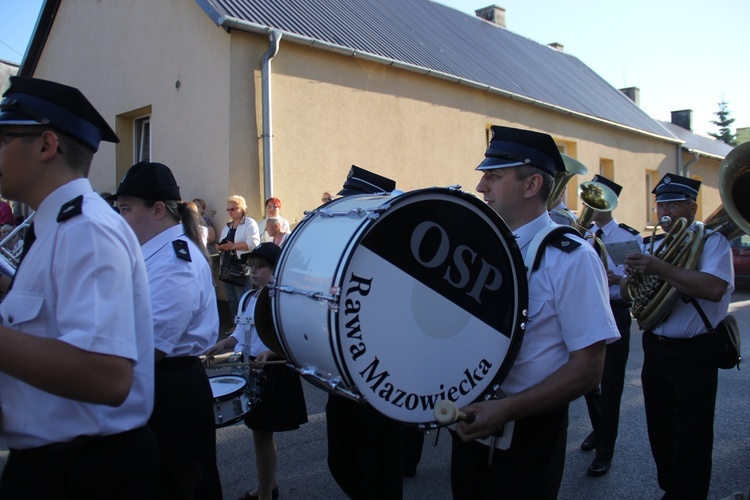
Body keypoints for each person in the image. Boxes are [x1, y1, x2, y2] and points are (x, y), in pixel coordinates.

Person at [0, 76, 158, 497]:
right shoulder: (54, 226)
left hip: (82, 471)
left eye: (3, 138)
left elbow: (106, 376)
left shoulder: (84, 229)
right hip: (60, 462)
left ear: (46, 145)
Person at [451, 125, 619, 499]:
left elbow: (589, 369)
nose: (481, 188)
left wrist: (507, 410)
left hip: (529, 434)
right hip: (469, 422)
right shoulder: (484, 247)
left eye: (493, 177)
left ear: (531, 186)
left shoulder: (572, 258)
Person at [114, 161, 223, 499]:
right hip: (158, 384)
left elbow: (150, 347)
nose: (120, 218)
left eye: (126, 209)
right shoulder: (154, 254)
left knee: (180, 486)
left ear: (158, 209)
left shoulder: (177, 261)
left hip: (171, 389)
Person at [623, 173, 733, 499]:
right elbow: (631, 296)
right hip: (655, 348)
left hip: (694, 352)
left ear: (693, 207)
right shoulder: (651, 244)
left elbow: (713, 289)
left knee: (692, 434)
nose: (665, 210)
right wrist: (631, 278)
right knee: (660, 429)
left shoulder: (713, 242)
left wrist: (658, 268)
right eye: (660, 204)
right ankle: (672, 489)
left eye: (673, 203)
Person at [325, 164, 410, 499]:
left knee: (380, 472)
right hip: (344, 371)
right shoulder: (345, 245)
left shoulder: (398, 250)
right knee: (340, 461)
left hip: (383, 375)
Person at [206, 242, 308, 500]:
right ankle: (268, 486)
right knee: (259, 435)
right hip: (251, 369)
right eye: (251, 267)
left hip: (273, 371)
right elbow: (240, 333)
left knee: (262, 435)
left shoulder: (283, 300)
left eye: (261, 268)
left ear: (276, 270)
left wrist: (271, 354)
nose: (254, 272)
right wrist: (223, 344)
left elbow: (294, 339)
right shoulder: (248, 298)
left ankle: (265, 493)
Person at [579, 175, 642, 477]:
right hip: (589, 309)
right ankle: (597, 429)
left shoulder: (627, 237)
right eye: (589, 198)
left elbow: (640, 280)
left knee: (613, 383)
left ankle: (605, 452)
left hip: (616, 309)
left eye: (597, 200)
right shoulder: (584, 234)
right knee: (588, 382)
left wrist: (616, 278)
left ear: (610, 203)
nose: (590, 205)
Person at [216, 195, 260, 319]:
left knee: (243, 297)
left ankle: (245, 324)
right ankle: (235, 325)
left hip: (241, 266)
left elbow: (254, 244)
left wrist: (234, 246)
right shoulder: (227, 226)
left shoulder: (249, 223)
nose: (230, 212)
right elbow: (222, 241)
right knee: (231, 297)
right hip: (227, 266)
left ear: (242, 209)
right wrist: (220, 247)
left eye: (233, 209)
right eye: (228, 210)